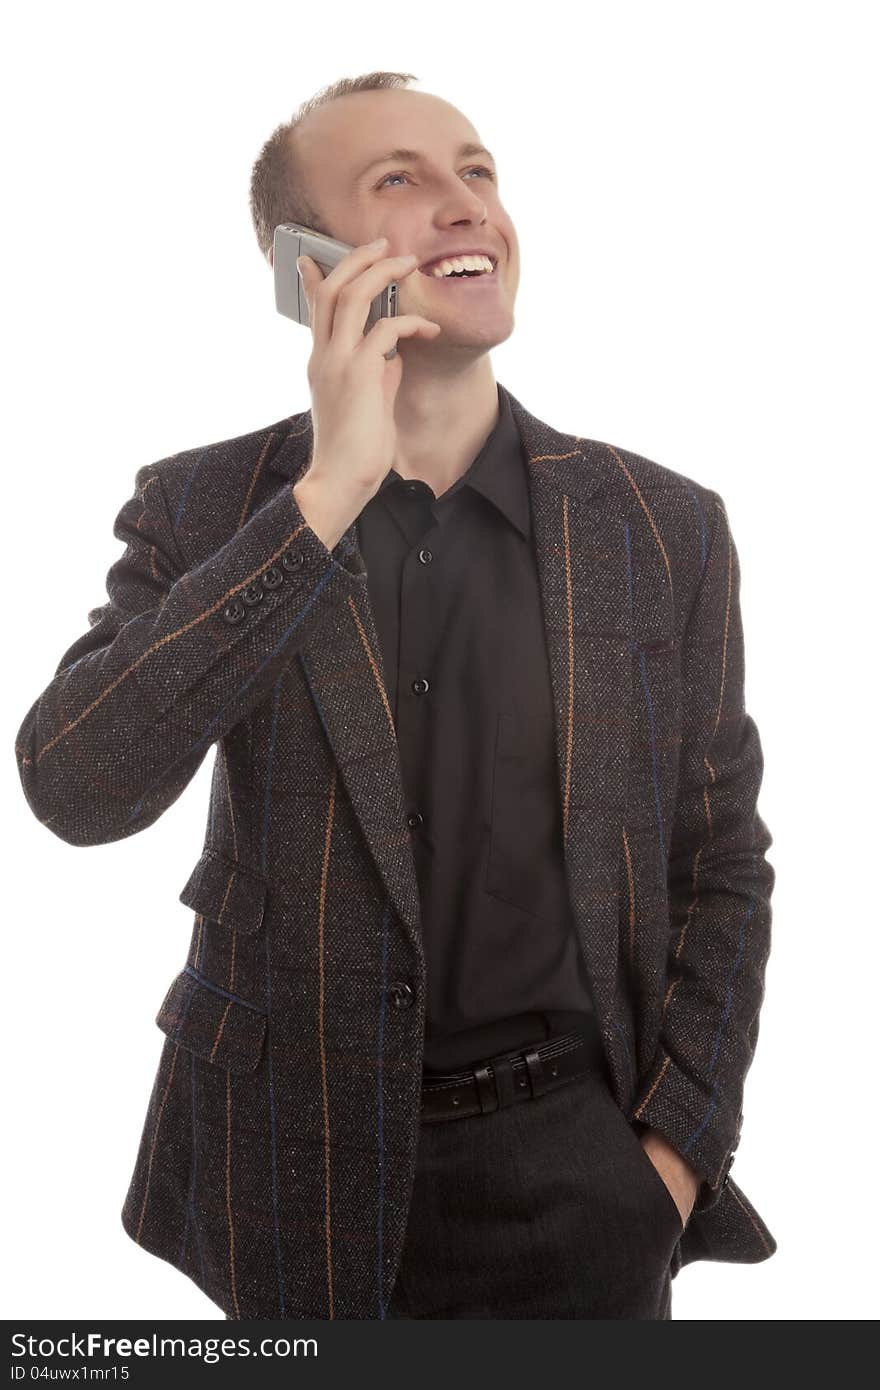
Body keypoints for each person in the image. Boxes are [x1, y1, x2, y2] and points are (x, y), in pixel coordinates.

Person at [14, 71, 776, 1320]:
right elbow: (77, 785)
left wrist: (675, 1157)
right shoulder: (204, 509)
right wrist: (322, 501)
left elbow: (720, 864)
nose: (466, 204)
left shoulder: (662, 529)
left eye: (476, 171)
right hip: (289, 1177)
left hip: (581, 1178)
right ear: (305, 266)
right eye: (400, 181)